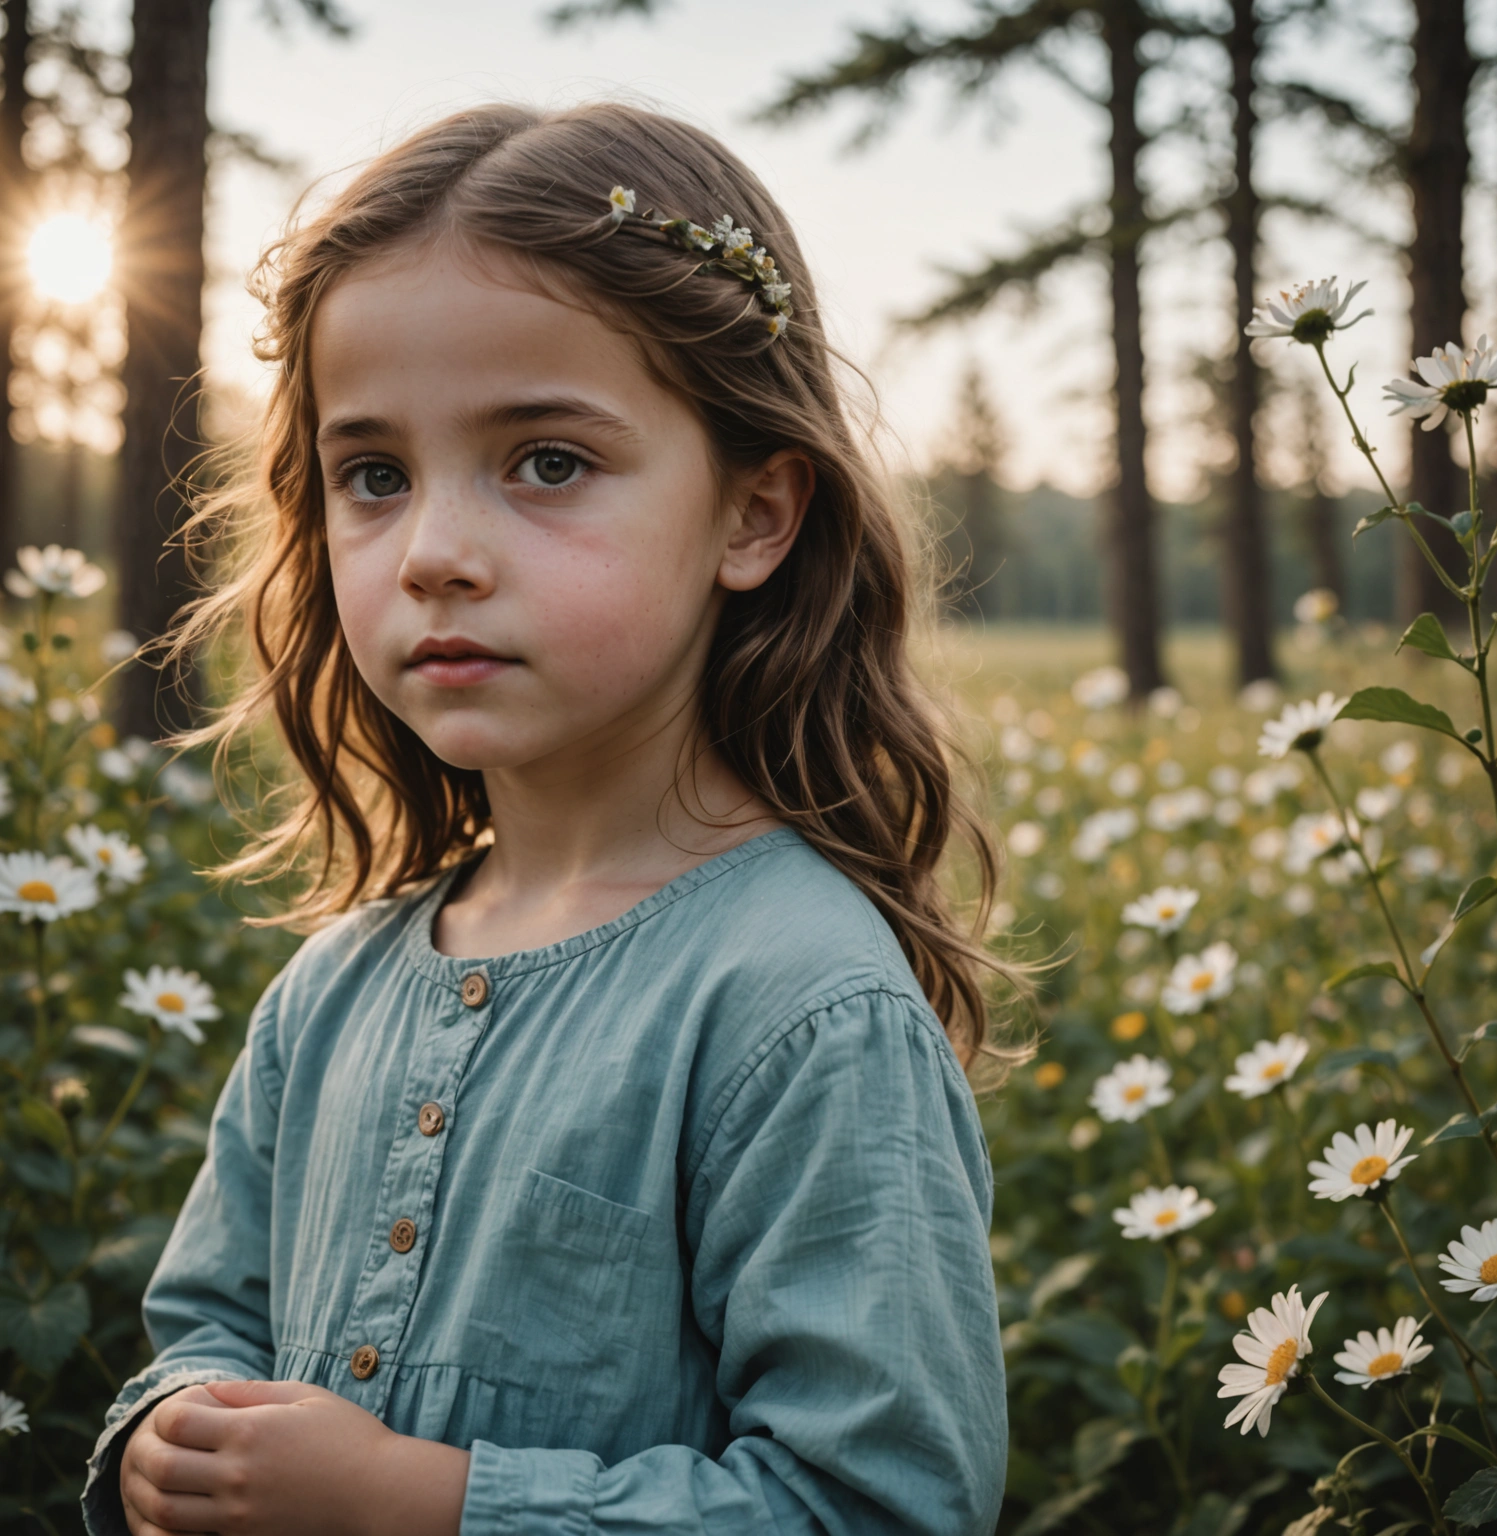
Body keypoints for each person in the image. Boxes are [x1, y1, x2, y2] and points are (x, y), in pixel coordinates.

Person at [81, 101, 1021, 1536]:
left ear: (753, 515)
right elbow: (209, 1318)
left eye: (549, 462)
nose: (438, 555)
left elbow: (879, 1502)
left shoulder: (801, 1004)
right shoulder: (330, 990)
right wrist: (172, 1434)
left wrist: (422, 1502)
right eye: (375, 476)